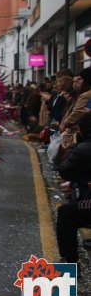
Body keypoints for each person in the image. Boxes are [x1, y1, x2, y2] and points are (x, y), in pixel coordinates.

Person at [57, 112, 91, 263]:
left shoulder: (84, 148)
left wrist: (73, 146)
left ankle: (70, 263)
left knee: (65, 213)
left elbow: (65, 171)